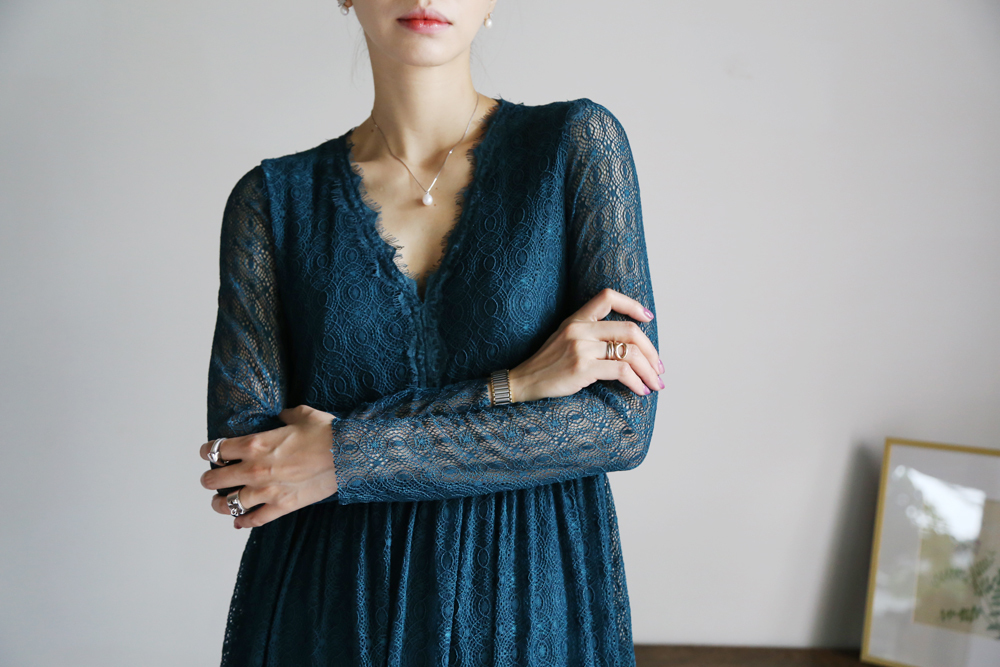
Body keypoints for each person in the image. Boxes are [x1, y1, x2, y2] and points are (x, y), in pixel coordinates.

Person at [197, 1, 663, 664]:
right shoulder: (272, 201)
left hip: (525, 605)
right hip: (332, 611)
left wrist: (342, 455)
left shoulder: (573, 146)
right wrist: (514, 388)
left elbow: (617, 425)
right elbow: (245, 470)